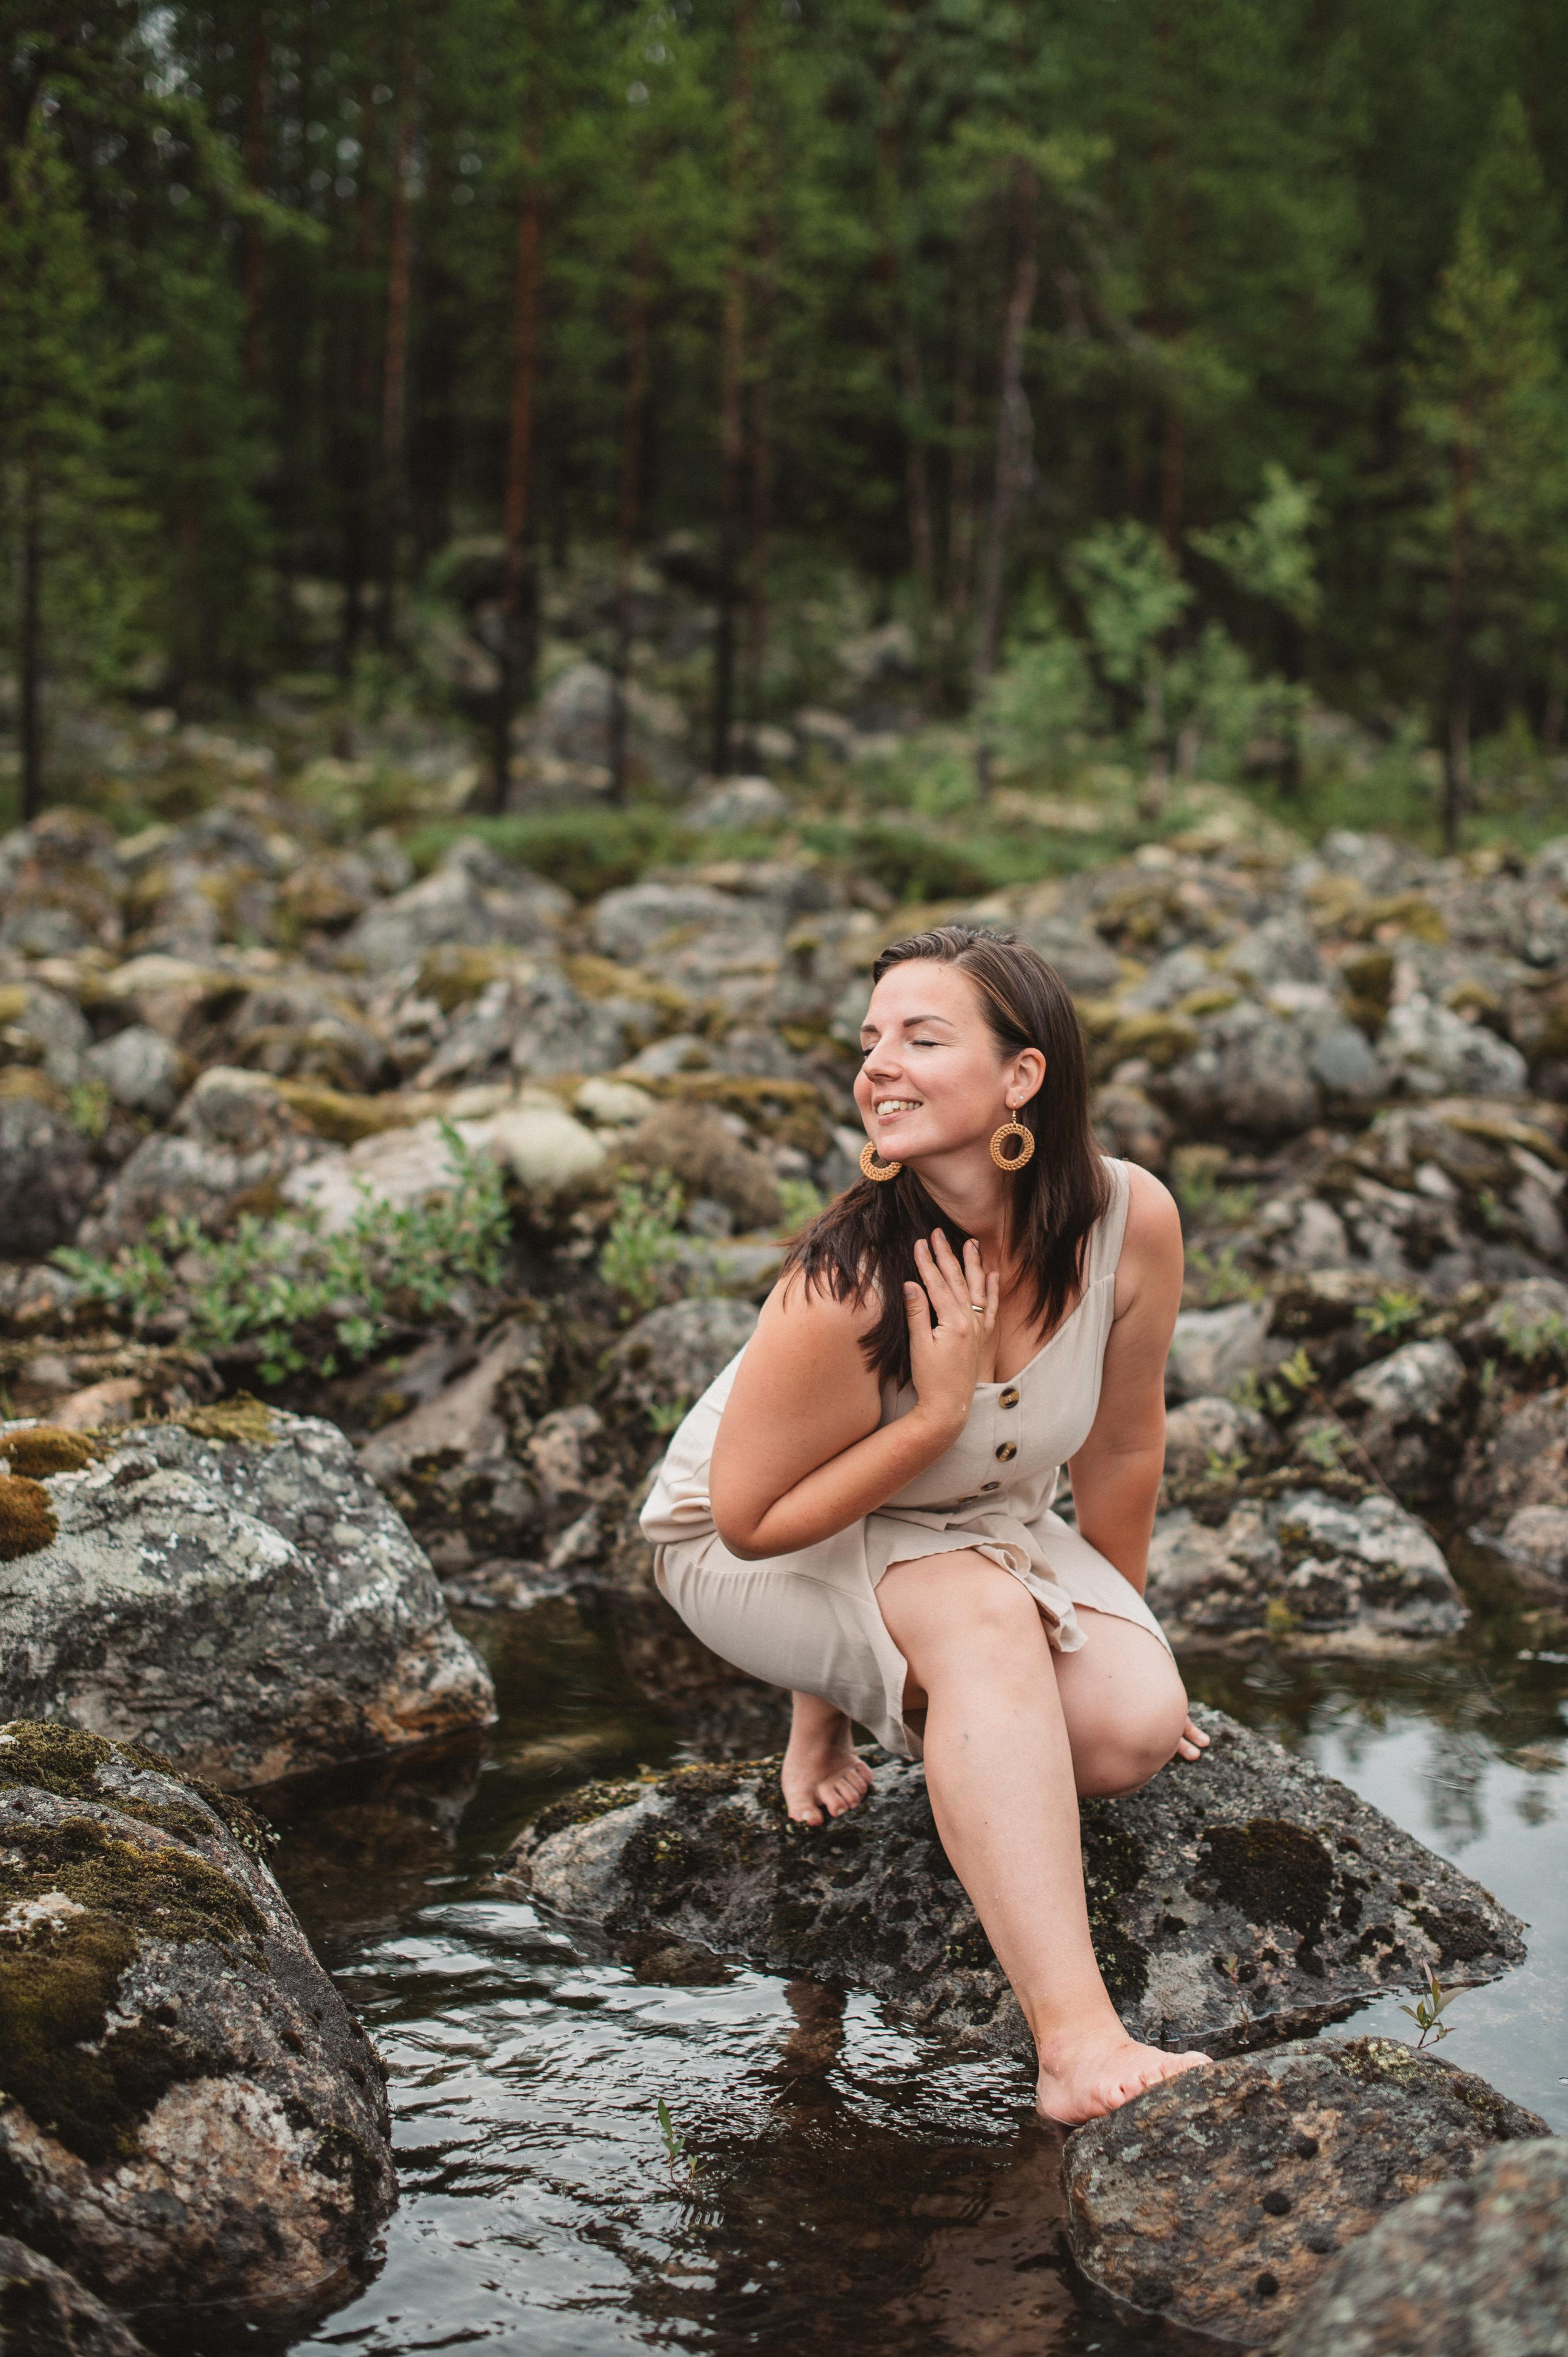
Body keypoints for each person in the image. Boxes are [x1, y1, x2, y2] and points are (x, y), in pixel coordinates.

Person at [639, 923, 1211, 2124]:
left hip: (973, 1512)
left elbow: (1119, 1443)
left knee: (1125, 1731)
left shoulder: (1127, 1222)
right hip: (751, 1540)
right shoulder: (848, 1278)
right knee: (982, 1620)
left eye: (920, 1036)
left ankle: (877, 1706)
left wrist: (1119, 1622)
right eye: (868, 1041)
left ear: (1021, 1077)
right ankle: (1077, 2046)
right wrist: (934, 1407)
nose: (877, 1065)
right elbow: (753, 1520)